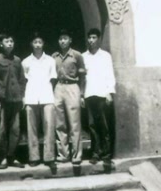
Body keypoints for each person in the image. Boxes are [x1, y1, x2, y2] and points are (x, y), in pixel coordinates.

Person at [0, 32, 26, 169]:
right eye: (7, 41)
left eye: (11, 41)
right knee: (3, 130)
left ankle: (11, 156)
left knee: (15, 129)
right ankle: (2, 158)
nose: (10, 43)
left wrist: (22, 96)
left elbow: (22, 80)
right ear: (1, 44)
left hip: (16, 100)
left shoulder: (17, 60)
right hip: (3, 100)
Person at [22, 31, 57, 171]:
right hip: (31, 97)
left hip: (47, 96)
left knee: (49, 127)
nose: (37, 45)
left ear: (43, 44)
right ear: (31, 44)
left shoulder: (50, 60)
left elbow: (53, 79)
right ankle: (34, 157)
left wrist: (49, 93)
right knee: (32, 128)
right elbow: (23, 81)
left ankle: (49, 157)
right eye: (35, 42)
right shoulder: (25, 62)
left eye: (40, 42)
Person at [82, 28, 116, 172]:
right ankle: (95, 152)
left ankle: (106, 154)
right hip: (89, 94)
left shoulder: (105, 56)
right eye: (89, 38)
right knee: (92, 125)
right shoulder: (83, 56)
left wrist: (109, 92)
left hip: (102, 94)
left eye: (94, 37)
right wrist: (82, 95)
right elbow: (82, 78)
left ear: (99, 39)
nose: (91, 40)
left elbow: (110, 74)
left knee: (104, 125)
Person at [52, 29, 86, 172]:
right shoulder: (54, 56)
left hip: (73, 87)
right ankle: (63, 154)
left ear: (70, 40)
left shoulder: (77, 55)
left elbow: (83, 76)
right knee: (59, 123)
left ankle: (76, 155)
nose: (62, 41)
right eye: (60, 39)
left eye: (65, 38)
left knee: (74, 123)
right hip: (59, 87)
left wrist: (82, 94)